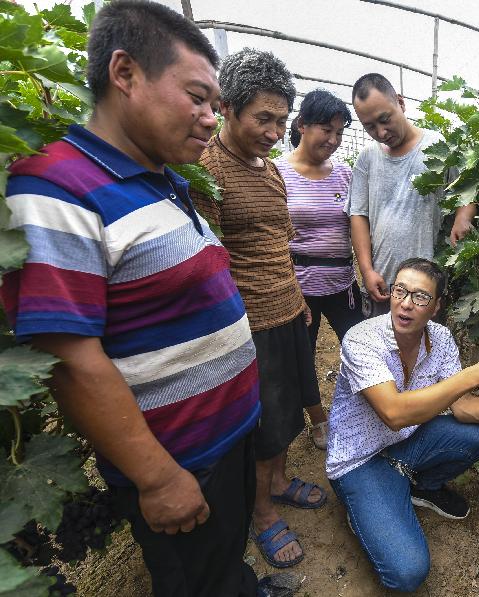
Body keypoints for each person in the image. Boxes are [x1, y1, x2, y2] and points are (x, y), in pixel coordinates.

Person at [0, 2, 265, 595]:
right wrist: (156, 479)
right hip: (179, 462)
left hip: (222, 441)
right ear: (125, 73)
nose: (207, 118)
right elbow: (67, 358)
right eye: (196, 97)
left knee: (223, 565)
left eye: (214, 105)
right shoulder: (55, 188)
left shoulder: (160, 177)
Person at [326, 258, 479, 592]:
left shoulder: (440, 338)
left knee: (478, 436)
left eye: (420, 297)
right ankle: (366, 506)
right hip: (360, 460)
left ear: (435, 307)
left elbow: (462, 408)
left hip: (406, 442)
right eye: (400, 291)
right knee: (407, 573)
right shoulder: (362, 340)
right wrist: (472, 375)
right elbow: (393, 413)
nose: (406, 304)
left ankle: (420, 486)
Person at [190, 49, 324, 570]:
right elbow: (207, 258)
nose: (273, 131)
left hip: (289, 310)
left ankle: (282, 480)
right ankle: (262, 511)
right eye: (262, 118)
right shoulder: (206, 168)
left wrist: (298, 301)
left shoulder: (269, 170)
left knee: (288, 410)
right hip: (247, 324)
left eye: (281, 121)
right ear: (228, 108)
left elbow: (279, 241)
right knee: (261, 422)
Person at [274, 89, 364, 450]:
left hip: (343, 283)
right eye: (326, 129)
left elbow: (357, 225)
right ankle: (319, 420)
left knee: (360, 346)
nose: (334, 140)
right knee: (302, 357)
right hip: (299, 288)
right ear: (301, 125)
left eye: (340, 133)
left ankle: (364, 409)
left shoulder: (344, 174)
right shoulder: (277, 172)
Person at [347, 73, 476, 318]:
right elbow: (358, 216)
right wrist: (366, 270)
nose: (381, 132)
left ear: (401, 102)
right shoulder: (367, 159)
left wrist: (463, 217)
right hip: (382, 285)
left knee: (424, 352)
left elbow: (467, 188)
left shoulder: (437, 147)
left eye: (385, 119)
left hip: (425, 288)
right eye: (370, 126)